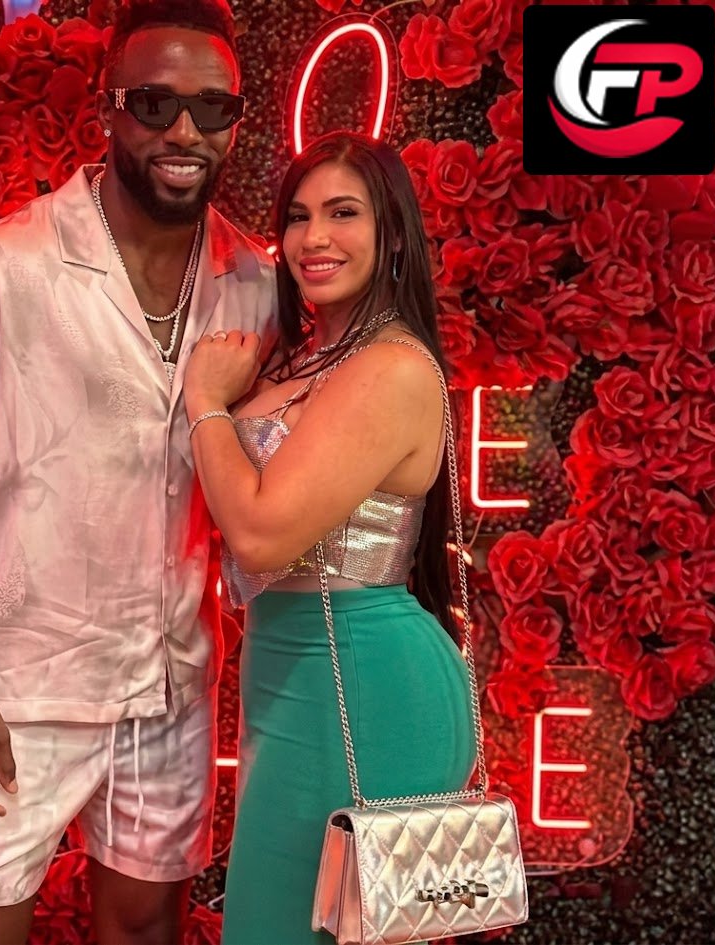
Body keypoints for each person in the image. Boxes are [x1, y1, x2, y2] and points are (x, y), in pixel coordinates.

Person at [0, 1, 275, 942]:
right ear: (107, 109)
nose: (184, 131)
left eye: (212, 108)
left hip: (170, 688)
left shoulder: (255, 282)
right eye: (154, 103)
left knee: (145, 932)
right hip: (14, 691)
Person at [182, 132, 477, 944]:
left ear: (392, 232)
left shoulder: (390, 366)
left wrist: (205, 401)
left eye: (344, 213)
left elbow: (260, 537)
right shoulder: (303, 357)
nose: (314, 237)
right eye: (299, 216)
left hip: (369, 683)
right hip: (290, 671)